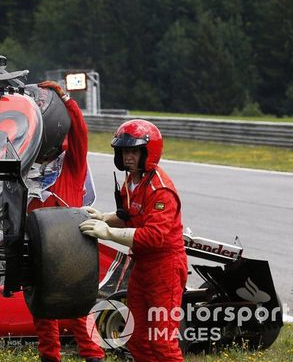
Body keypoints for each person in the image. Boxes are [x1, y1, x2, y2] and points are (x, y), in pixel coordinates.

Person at [79, 119, 186, 362]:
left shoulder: (161, 190)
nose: (128, 156)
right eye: (124, 151)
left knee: (162, 339)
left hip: (164, 267)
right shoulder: (133, 181)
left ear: (148, 152)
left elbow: (153, 236)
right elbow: (130, 216)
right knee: (135, 335)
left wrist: (107, 233)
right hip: (142, 266)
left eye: (134, 151)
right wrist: (105, 218)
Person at [27, 81, 105, 362]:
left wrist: (67, 100)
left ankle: (94, 355)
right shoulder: (23, 161)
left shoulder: (71, 160)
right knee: (41, 309)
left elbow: (81, 132)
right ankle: (50, 357)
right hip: (37, 243)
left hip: (72, 245)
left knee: (81, 308)